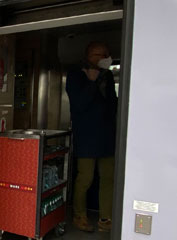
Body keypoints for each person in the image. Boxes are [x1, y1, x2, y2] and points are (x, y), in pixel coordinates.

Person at [66, 42, 118, 232]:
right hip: (86, 136)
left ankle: (106, 218)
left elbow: (112, 105)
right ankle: (79, 216)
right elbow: (79, 105)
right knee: (85, 178)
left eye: (105, 54)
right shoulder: (76, 76)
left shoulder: (108, 76)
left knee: (108, 178)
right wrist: (92, 82)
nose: (103, 57)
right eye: (99, 54)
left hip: (108, 136)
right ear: (88, 55)